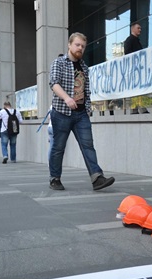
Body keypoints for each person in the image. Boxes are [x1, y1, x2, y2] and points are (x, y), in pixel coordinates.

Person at [48, 32, 115, 191]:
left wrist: (88, 108)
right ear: (70, 45)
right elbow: (54, 83)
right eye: (77, 45)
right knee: (58, 147)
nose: (80, 48)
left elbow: (86, 90)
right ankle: (54, 178)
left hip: (81, 114)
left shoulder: (84, 67)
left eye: (83, 46)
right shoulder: (59, 63)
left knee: (88, 146)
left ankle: (97, 178)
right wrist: (66, 98)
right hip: (61, 112)